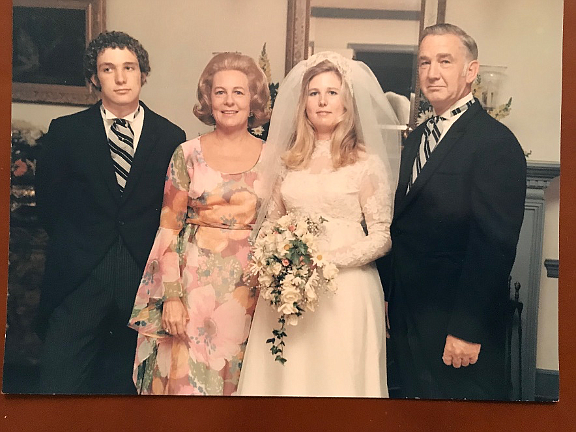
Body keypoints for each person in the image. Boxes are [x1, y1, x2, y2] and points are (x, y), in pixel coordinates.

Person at [237, 51, 401, 397]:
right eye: (314, 93)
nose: (322, 101)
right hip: (288, 290)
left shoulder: (366, 162)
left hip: (346, 292)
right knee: (288, 381)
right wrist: (274, 260)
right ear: (304, 104)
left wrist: (323, 262)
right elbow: (271, 223)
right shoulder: (288, 161)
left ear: (347, 103)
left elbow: (382, 237)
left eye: (332, 91)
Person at [35, 31, 186, 394]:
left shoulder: (170, 137)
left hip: (141, 275)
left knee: (129, 389)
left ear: (142, 74)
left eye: (129, 68)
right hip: (80, 276)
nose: (120, 78)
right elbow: (48, 207)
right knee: (59, 384)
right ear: (94, 77)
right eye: (108, 68)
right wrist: (80, 249)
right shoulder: (65, 132)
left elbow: (174, 213)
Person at [386, 23, 527, 400]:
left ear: (471, 71)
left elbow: (493, 247)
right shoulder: (416, 138)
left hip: (456, 326)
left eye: (445, 61)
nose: (432, 73)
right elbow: (402, 225)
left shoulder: (495, 143)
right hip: (409, 318)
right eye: (425, 63)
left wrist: (466, 330)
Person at [128, 52, 270, 395]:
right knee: (185, 390)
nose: (229, 101)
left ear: (253, 100)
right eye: (220, 92)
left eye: (238, 92)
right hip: (193, 292)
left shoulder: (274, 156)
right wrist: (172, 297)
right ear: (208, 100)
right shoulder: (187, 154)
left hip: (250, 295)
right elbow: (169, 229)